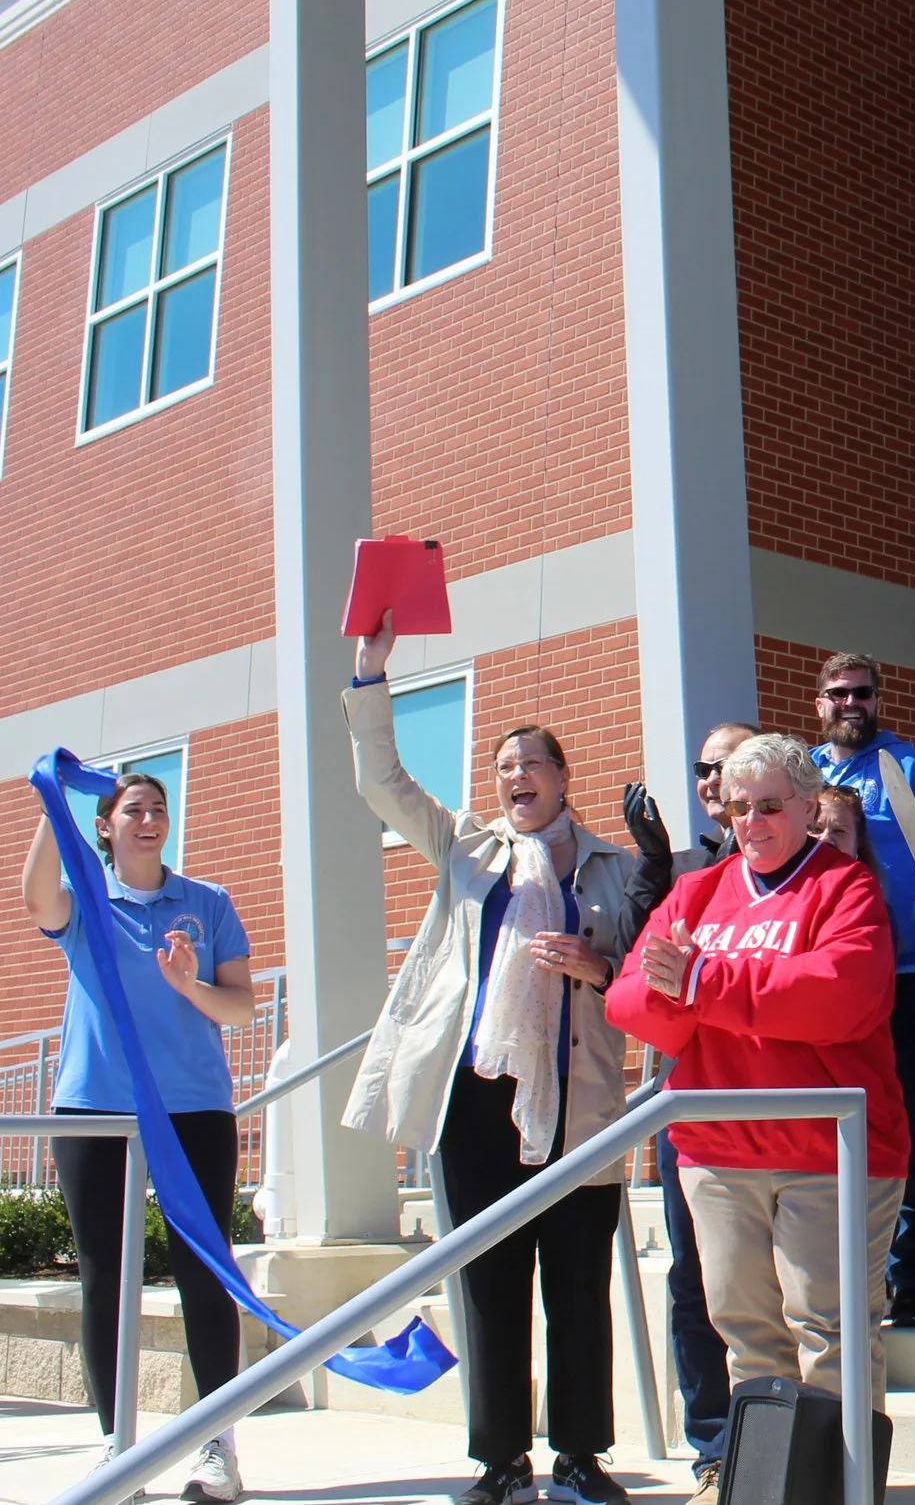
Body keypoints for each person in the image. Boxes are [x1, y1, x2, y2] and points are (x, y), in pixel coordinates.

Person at [345, 614, 636, 1505]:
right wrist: (369, 674)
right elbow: (383, 782)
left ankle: (581, 1457)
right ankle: (500, 1461)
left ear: (563, 778)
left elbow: (643, 975)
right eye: (505, 767)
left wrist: (600, 966)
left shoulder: (613, 869)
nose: (517, 777)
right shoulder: (467, 849)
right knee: (490, 1283)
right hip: (476, 1106)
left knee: (578, 1285)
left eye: (533, 765)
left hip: (577, 1104)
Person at [607, 734, 912, 1481]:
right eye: (740, 807)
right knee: (747, 1335)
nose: (753, 820)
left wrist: (706, 981)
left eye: (771, 805)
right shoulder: (698, 890)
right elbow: (632, 1002)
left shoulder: (846, 887)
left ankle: (838, 1490)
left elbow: (838, 996)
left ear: (810, 806)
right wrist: (707, 991)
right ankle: (769, 1489)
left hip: (830, 1154)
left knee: (831, 1334)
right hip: (717, 1152)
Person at [18, 773, 252, 1503]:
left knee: (204, 1273)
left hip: (192, 1109)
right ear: (105, 827)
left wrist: (190, 986)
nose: (149, 820)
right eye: (133, 811)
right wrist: (52, 801)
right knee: (104, 1275)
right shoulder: (87, 898)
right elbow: (34, 895)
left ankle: (217, 1445)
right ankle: (116, 1444)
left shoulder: (207, 903)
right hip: (95, 1111)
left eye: (158, 809)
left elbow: (242, 1007)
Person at [616, 721, 757, 1505]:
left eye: (729, 767)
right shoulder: (686, 874)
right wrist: (650, 861)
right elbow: (637, 969)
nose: (714, 781)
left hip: (780, 1109)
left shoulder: (792, 863)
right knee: (695, 1277)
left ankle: (793, 1443)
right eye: (705, 769)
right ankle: (715, 1443)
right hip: (694, 1105)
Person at [809, 652, 915, 1327]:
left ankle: (913, 1274)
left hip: (903, 974)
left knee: (906, 1124)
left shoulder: (909, 772)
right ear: (819, 702)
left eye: (862, 693)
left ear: (878, 698)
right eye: (838, 693)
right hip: (816, 974)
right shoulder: (801, 773)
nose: (851, 704)